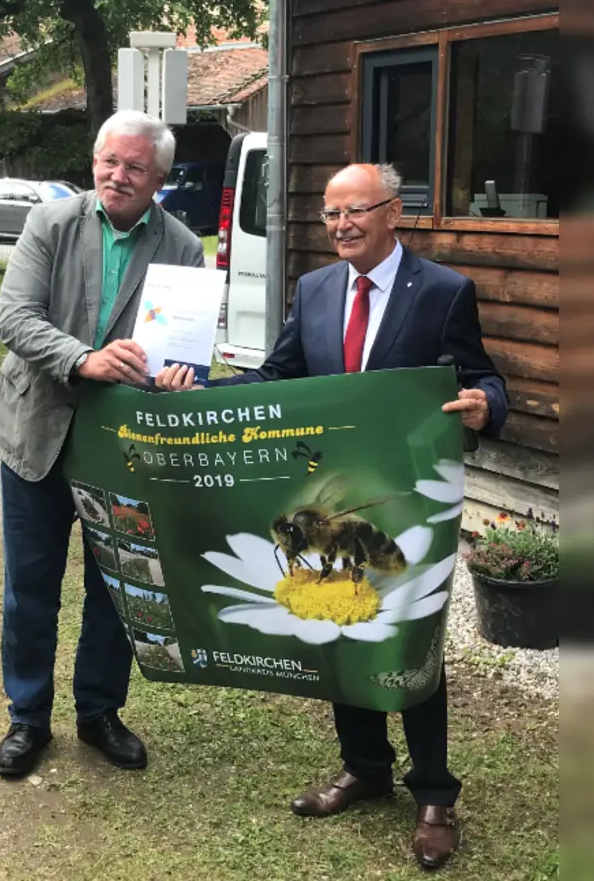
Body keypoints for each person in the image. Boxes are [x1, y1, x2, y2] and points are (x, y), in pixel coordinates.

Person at [156, 163, 509, 871]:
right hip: (329, 498)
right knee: (340, 623)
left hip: (409, 502)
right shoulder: (316, 290)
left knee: (411, 645)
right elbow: (279, 375)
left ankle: (435, 796)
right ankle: (365, 769)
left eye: (355, 211)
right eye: (330, 214)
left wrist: (485, 406)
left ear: (393, 213)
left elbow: (486, 377)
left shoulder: (442, 292)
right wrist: (202, 390)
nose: (341, 225)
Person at [0, 110, 205, 779]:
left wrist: (178, 375)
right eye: (110, 161)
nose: (119, 175)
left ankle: (99, 712)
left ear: (160, 179)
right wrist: (83, 358)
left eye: (136, 167)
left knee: (114, 585)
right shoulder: (50, 224)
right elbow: (14, 317)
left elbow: (184, 354)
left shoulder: (184, 248)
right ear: (94, 162)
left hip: (121, 443)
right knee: (30, 585)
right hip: (37, 432)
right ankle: (27, 717)